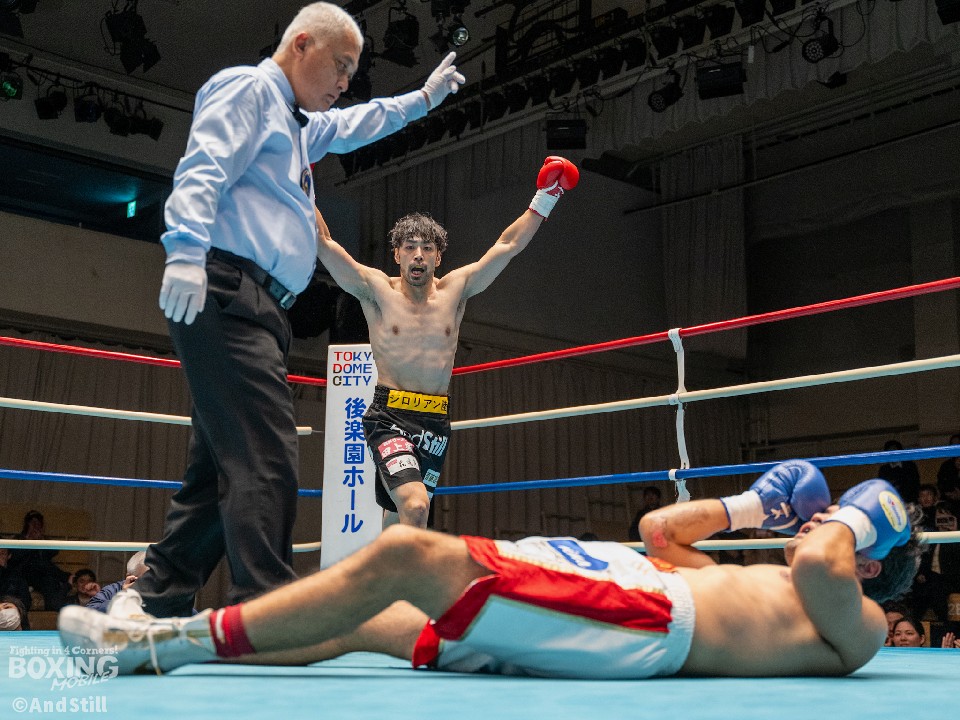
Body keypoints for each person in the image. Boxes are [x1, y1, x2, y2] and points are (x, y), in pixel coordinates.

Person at [138, 2, 466, 618]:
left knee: (220, 466)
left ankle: (155, 599)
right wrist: (183, 249)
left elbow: (356, 123)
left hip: (260, 303)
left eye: (351, 72)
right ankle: (265, 615)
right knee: (266, 456)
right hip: (227, 288)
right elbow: (203, 167)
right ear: (303, 44)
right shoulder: (250, 90)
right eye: (339, 65)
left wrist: (421, 100)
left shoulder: (296, 125)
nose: (344, 82)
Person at [59, 460, 924, 678]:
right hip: (621, 585)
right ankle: (172, 647)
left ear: (870, 561)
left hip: (645, 615)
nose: (821, 523)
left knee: (404, 555)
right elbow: (660, 530)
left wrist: (862, 512)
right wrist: (750, 508)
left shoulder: (857, 626)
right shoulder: (777, 582)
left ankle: (153, 644)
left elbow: (823, 565)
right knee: (370, 621)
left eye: (844, 526)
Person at [314, 157, 579, 528]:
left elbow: (507, 245)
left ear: (438, 257)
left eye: (427, 248)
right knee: (416, 506)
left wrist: (547, 196)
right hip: (388, 417)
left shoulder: (456, 290)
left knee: (403, 519)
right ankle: (402, 568)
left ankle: (388, 567)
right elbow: (324, 243)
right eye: (409, 247)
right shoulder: (376, 290)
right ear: (397, 255)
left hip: (435, 421)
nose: (418, 255)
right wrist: (304, 184)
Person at [8, 510, 71, 611]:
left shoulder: (43, 540)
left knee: (50, 581)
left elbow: (53, 553)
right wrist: (30, 542)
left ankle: (51, 612)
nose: (35, 526)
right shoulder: (18, 539)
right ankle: (64, 577)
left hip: (39, 576)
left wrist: (41, 541)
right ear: (27, 524)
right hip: (22, 574)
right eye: (33, 523)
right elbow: (14, 558)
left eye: (38, 523)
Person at [877, 439, 920, 504]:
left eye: (894, 451)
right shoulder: (884, 470)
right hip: (892, 503)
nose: (892, 454)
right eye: (889, 452)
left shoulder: (910, 466)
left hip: (910, 502)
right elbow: (883, 488)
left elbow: (915, 485)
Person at [0, 547, 31, 615]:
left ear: (9, 556)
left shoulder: (16, 576)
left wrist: (13, 607)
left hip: (11, 614)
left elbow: (26, 602)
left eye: (2, 554)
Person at [936, 434, 960, 501]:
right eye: (953, 445)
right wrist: (948, 493)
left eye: (958, 444)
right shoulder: (946, 465)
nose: (955, 447)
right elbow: (940, 482)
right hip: (948, 498)